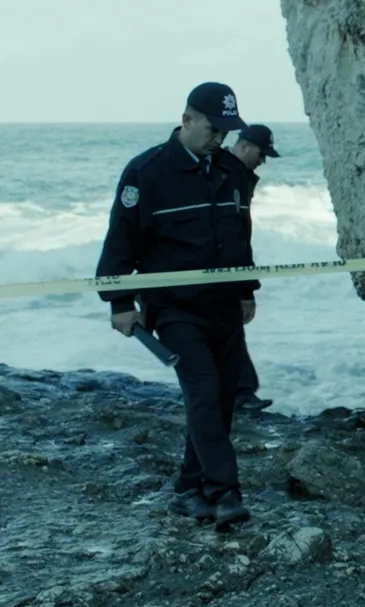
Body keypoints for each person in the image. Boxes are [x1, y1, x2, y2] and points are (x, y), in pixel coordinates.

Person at [95, 81, 259, 531]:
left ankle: (189, 489)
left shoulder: (231, 170)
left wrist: (246, 290)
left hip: (225, 306)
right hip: (174, 308)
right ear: (187, 120)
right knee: (203, 391)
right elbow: (120, 241)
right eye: (212, 128)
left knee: (222, 399)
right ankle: (225, 492)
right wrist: (119, 301)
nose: (219, 137)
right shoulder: (146, 172)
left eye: (226, 130)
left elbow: (239, 235)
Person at [225, 125, 281, 414]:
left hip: (227, 268)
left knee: (227, 332)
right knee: (227, 332)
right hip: (218, 268)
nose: (263, 161)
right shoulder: (226, 175)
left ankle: (239, 392)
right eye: (261, 154)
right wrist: (246, 289)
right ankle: (241, 393)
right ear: (244, 146)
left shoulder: (239, 176)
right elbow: (233, 236)